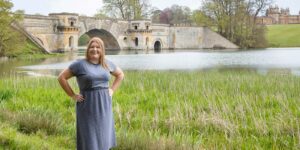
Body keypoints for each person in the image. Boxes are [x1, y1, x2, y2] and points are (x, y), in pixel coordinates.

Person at [58, 37, 124, 150]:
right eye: (92, 47)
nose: (95, 49)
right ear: (88, 49)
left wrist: (112, 90)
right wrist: (72, 95)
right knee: (89, 139)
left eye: (98, 47)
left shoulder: (107, 64)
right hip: (87, 106)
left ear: (102, 49)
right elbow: (61, 77)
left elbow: (120, 75)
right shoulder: (80, 64)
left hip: (104, 105)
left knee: (104, 136)